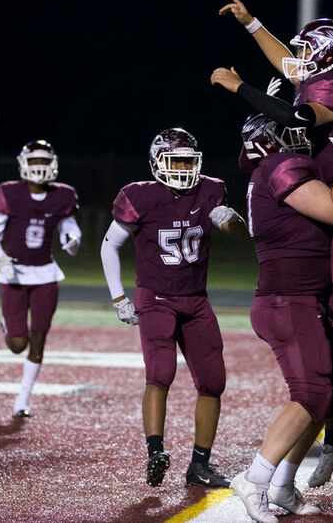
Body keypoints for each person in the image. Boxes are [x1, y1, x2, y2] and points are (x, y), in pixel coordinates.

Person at [214, 0, 333, 487]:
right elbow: (291, 67)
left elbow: (299, 118)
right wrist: (252, 23)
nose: (298, 59)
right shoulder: (328, 76)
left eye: (306, 49)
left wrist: (241, 88)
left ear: (326, 52)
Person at [225, 112, 333, 523]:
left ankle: (282, 485)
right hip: (288, 299)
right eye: (290, 129)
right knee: (312, 393)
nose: (302, 135)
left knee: (329, 395)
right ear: (270, 139)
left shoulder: (268, 169)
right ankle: (255, 478)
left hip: (296, 297)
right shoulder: (280, 165)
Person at [100, 128, 244, 489]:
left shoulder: (211, 190)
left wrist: (233, 221)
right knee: (160, 373)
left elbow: (240, 233)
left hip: (195, 299)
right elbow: (108, 245)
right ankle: (155, 453)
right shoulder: (140, 196)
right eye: (174, 161)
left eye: (187, 161)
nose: (182, 169)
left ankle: (199, 464)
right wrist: (119, 297)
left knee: (213, 381)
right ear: (156, 163)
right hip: (157, 298)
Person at [0, 140, 81, 418]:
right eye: (35, 161)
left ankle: (22, 401)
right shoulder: (8, 192)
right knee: (17, 344)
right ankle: (7, 326)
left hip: (45, 273)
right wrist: (1, 259)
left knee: (39, 337)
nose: (39, 167)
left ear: (53, 164)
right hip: (14, 272)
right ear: (24, 164)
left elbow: (68, 226)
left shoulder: (63, 195)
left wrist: (72, 240)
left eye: (44, 162)